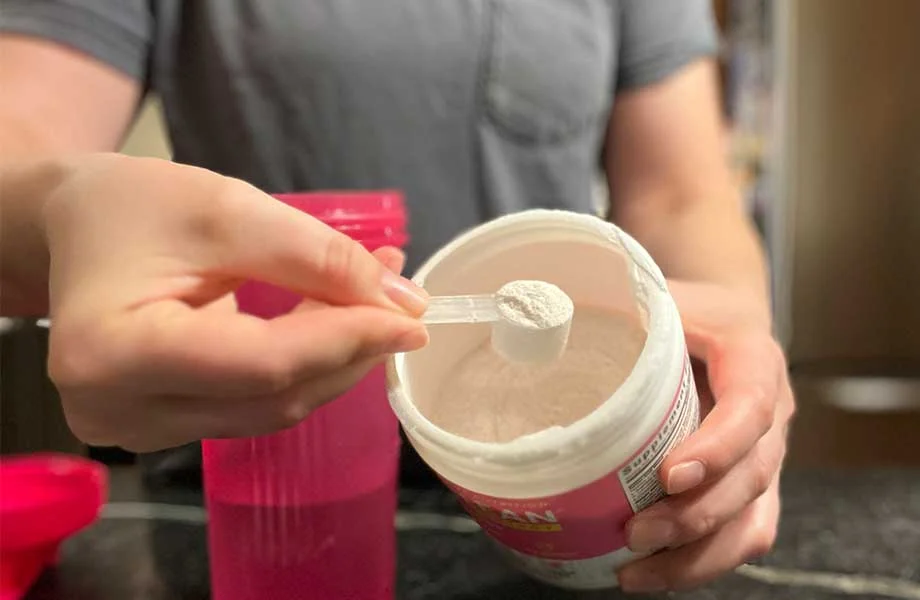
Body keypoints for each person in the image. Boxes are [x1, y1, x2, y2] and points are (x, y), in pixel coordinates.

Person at [0, 0, 794, 592]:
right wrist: (56, 213)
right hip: (254, 488)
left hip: (580, 471)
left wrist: (738, 349)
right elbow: (21, 139)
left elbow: (682, 196)